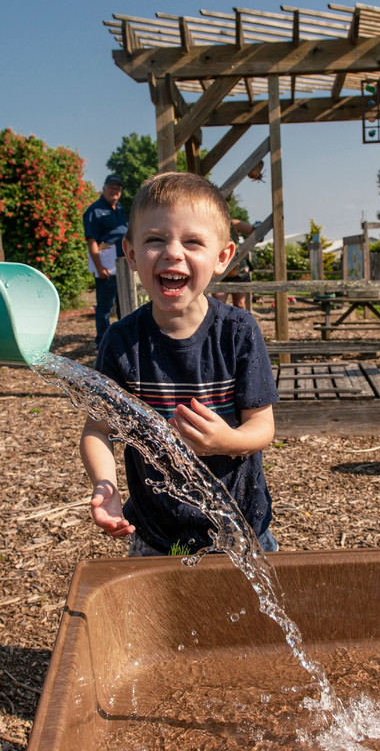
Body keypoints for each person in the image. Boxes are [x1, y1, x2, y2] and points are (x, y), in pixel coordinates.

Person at [79, 172, 279, 557]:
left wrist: (228, 441)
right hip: (156, 535)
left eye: (192, 241)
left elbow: (262, 426)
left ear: (222, 257)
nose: (172, 252)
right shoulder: (121, 342)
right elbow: (97, 431)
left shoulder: (238, 332)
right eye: (155, 239)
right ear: (132, 254)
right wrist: (104, 484)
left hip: (242, 529)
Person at [83, 174, 129, 347]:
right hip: (107, 265)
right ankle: (102, 341)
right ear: (104, 189)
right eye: (112, 187)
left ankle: (123, 337)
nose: (115, 191)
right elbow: (91, 240)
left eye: (118, 188)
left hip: (123, 264)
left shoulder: (120, 208)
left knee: (123, 302)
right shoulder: (94, 211)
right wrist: (99, 267)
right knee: (105, 306)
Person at [212, 217, 257, 309]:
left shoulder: (234, 224)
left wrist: (258, 227)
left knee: (240, 304)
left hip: (239, 272)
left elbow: (257, 235)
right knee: (218, 305)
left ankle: (241, 323)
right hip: (220, 273)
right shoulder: (211, 223)